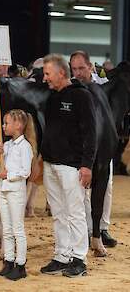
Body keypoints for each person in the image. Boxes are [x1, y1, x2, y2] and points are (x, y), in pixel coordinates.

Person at [40, 54, 97, 277]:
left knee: (75, 212)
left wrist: (87, 165)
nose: (45, 78)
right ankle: (62, 255)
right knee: (58, 212)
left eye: (47, 73)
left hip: (72, 166)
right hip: (50, 164)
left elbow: (91, 133)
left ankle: (79, 259)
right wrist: (41, 158)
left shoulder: (81, 96)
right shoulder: (52, 97)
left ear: (61, 73)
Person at [70, 50, 117, 248]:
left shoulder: (102, 88)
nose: (78, 73)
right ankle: (87, 231)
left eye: (82, 68)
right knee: (80, 193)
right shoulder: (70, 90)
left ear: (91, 67)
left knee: (106, 188)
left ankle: (101, 229)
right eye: (74, 69)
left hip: (103, 146)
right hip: (79, 150)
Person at [0, 109, 33, 281]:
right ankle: (8, 261)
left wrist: (8, 175)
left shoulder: (25, 147)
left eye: (6, 123)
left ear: (18, 125)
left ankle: (21, 264)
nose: (3, 126)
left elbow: (25, 171)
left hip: (16, 190)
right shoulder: (7, 146)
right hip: (4, 189)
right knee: (7, 229)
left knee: (18, 229)